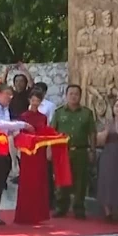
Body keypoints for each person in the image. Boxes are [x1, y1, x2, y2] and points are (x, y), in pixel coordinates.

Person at [0, 84, 33, 224]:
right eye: (7, 94)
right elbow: (0, 124)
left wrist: (19, 134)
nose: (10, 97)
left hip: (2, 149)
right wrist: (22, 125)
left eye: (11, 94)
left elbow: (7, 129)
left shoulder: (6, 109)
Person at [50, 85, 96, 219]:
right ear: (66, 95)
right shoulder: (59, 112)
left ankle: (79, 208)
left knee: (81, 181)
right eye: (71, 94)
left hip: (81, 150)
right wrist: (49, 150)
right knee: (62, 180)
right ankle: (61, 207)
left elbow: (92, 133)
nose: (73, 96)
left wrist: (92, 150)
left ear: (80, 96)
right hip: (62, 151)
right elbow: (53, 132)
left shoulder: (87, 113)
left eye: (76, 94)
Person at [14, 88, 52, 225]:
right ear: (29, 100)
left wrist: (48, 147)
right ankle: (25, 215)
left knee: (39, 182)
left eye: (38, 100)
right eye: (33, 99)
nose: (35, 102)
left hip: (40, 152)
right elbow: (19, 135)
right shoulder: (23, 116)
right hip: (28, 153)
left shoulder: (43, 117)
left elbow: (46, 133)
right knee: (27, 182)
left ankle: (38, 214)